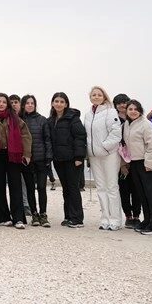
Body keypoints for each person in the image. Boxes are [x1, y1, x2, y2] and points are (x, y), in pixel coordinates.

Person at [0, 94, 32, 229]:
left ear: (7, 104)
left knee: (15, 186)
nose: (1, 104)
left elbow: (25, 135)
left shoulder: (14, 118)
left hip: (13, 154)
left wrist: (27, 154)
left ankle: (18, 218)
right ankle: (3, 217)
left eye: (4, 102)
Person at [83, 86, 123, 231]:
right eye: (94, 94)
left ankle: (115, 219)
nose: (96, 96)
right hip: (94, 156)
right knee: (100, 188)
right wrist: (89, 151)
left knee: (112, 187)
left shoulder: (110, 112)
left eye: (99, 94)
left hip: (109, 155)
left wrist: (105, 147)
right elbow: (87, 136)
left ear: (104, 97)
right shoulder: (88, 115)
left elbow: (116, 133)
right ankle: (105, 218)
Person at [122, 99, 152, 235]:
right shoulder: (127, 125)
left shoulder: (146, 125)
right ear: (126, 111)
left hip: (147, 163)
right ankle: (147, 220)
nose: (133, 112)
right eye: (130, 109)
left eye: (136, 109)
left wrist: (150, 164)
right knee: (142, 194)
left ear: (140, 110)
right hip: (134, 163)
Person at [47, 92, 87, 228]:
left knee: (73, 188)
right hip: (59, 160)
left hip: (72, 159)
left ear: (66, 104)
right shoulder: (51, 120)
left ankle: (77, 218)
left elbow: (80, 137)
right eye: (56, 101)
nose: (59, 104)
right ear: (52, 103)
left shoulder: (73, 118)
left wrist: (79, 157)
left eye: (62, 102)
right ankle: (68, 216)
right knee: (66, 189)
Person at [20, 95, 53, 227]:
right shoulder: (20, 120)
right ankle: (34, 214)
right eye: (27, 103)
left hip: (41, 159)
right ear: (23, 105)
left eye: (32, 103)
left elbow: (47, 139)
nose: (30, 105)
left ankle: (43, 214)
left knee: (41, 188)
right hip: (27, 160)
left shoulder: (42, 120)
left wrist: (49, 157)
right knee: (29, 188)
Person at [113, 93, 142, 229]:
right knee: (123, 189)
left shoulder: (135, 119)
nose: (122, 105)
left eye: (124, 102)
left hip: (136, 158)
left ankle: (136, 215)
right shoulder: (113, 119)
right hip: (120, 160)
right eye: (118, 103)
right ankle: (128, 216)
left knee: (137, 188)